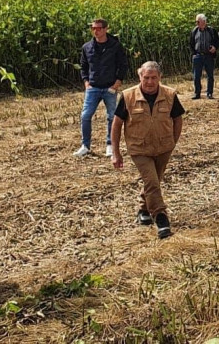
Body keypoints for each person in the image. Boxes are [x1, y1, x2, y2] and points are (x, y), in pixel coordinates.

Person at [109, 62, 184, 239]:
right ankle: (161, 218)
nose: (150, 82)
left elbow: (177, 119)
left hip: (163, 147)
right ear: (139, 76)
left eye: (153, 78)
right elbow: (117, 124)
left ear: (160, 78)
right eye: (146, 77)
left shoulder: (170, 95)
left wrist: (173, 141)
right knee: (151, 181)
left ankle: (143, 209)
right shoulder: (128, 96)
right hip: (139, 149)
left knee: (154, 181)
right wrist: (115, 152)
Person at [78, 18, 127, 158]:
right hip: (93, 87)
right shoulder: (87, 47)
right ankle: (85, 146)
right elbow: (84, 66)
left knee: (112, 117)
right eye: (93, 28)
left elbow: (123, 64)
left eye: (99, 28)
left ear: (106, 29)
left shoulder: (115, 46)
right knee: (85, 116)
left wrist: (117, 82)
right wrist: (86, 82)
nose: (96, 31)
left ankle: (110, 145)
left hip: (109, 87)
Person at [189, 14, 219, 100]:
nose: (197, 23)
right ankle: (197, 93)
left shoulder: (211, 30)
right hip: (198, 56)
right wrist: (194, 54)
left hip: (209, 56)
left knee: (210, 75)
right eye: (196, 21)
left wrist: (214, 47)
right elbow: (191, 43)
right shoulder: (194, 31)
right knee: (196, 76)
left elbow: (218, 41)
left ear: (204, 21)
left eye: (198, 21)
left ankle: (209, 93)